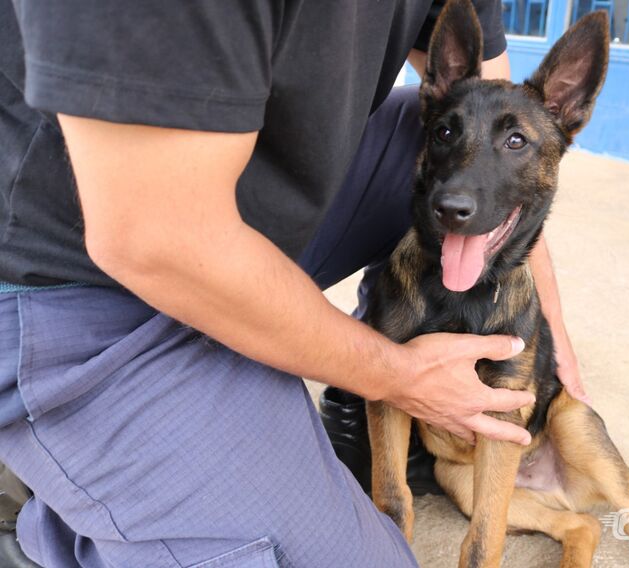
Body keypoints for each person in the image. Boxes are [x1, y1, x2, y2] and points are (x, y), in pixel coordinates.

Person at [0, 1, 587, 566]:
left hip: (239, 199)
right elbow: (152, 237)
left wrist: (549, 335)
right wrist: (392, 375)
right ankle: (66, 509)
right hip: (70, 273)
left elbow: (506, 128)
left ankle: (348, 385)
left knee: (451, 128)